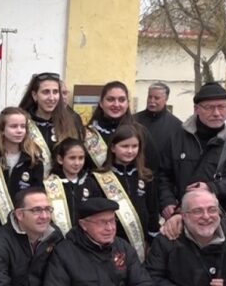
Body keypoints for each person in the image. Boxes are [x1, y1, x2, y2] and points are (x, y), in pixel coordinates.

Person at [158, 82, 226, 218]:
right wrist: (167, 201)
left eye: (222, 107)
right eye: (209, 107)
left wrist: (213, 187)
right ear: (196, 109)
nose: (216, 113)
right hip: (185, 216)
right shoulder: (177, 137)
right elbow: (163, 175)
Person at [0, 107, 44, 238]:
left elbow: (37, 195)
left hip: (24, 227)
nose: (19, 130)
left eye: (23, 126)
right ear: (2, 130)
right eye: (13, 126)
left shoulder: (34, 160)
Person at [93, 125, 159, 258]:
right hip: (111, 243)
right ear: (113, 148)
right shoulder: (98, 178)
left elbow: (153, 210)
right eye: (124, 146)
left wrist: (152, 239)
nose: (130, 151)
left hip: (141, 242)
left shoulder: (145, 176)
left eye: (134, 146)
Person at [84, 81, 160, 173]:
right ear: (101, 103)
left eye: (122, 100)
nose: (116, 104)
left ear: (127, 103)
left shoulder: (140, 132)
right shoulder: (87, 134)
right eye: (110, 99)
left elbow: (153, 167)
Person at [17, 72, 84, 174]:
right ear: (35, 95)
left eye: (55, 92)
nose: (52, 98)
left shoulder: (72, 121)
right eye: (46, 92)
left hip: (63, 182)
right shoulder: (22, 123)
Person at [44, 138, 102, 233]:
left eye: (81, 158)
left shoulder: (90, 182)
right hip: (58, 237)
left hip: (85, 236)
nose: (77, 163)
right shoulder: (49, 184)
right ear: (60, 159)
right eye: (72, 158)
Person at [135, 82, 183, 157]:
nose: (152, 101)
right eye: (149, 97)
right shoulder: (134, 120)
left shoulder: (176, 126)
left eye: (156, 98)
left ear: (166, 99)